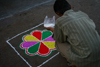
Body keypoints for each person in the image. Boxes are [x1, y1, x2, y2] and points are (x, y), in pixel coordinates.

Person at [44, 0, 100, 67]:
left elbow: (59, 39)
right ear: (70, 6)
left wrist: (52, 29)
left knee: (58, 42)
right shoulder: (83, 14)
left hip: (86, 62)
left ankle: (74, 63)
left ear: (57, 13)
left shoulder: (60, 21)